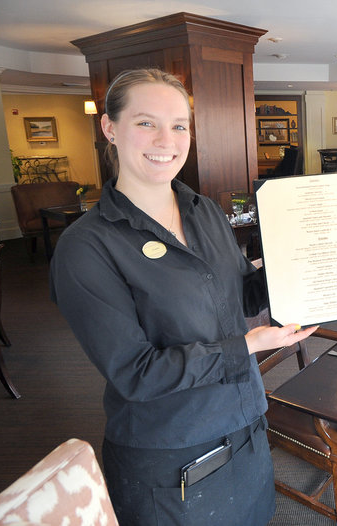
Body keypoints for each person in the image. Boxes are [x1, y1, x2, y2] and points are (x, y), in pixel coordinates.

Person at [50, 68, 317, 525]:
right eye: (145, 122)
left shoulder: (204, 210)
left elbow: (242, 296)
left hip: (246, 422)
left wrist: (301, 268)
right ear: (110, 128)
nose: (166, 140)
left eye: (178, 125)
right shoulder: (86, 246)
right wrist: (249, 346)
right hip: (172, 450)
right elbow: (136, 374)